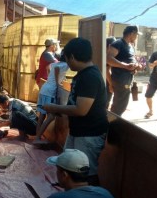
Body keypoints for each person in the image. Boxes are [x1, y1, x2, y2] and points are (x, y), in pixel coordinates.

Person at [42, 37, 108, 184]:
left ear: (72, 56)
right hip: (79, 131)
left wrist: (54, 108)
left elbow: (81, 110)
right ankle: (74, 197)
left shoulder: (90, 77)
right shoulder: (83, 75)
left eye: (67, 59)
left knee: (86, 172)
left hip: (89, 134)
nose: (67, 63)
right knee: (69, 165)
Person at [107, 25, 143, 116]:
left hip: (127, 79)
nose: (136, 37)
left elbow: (130, 60)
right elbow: (108, 59)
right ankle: (112, 125)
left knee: (121, 105)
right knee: (119, 106)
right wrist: (126, 66)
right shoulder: (118, 43)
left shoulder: (130, 46)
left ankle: (113, 123)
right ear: (132, 34)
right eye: (136, 35)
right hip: (120, 80)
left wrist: (137, 66)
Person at [35, 52, 70, 144]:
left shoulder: (54, 63)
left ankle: (37, 136)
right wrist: (58, 83)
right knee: (51, 117)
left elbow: (48, 68)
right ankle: (37, 138)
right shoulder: (66, 65)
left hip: (44, 89)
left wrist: (57, 79)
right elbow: (58, 71)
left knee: (42, 114)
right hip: (50, 92)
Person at [105, 36, 117, 109]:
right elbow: (107, 70)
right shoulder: (108, 56)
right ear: (109, 46)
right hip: (106, 82)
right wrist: (111, 84)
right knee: (105, 103)